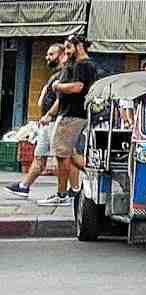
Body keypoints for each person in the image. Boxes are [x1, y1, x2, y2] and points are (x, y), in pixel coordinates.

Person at [5, 44, 66, 200]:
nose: (47, 57)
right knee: (40, 156)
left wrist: (50, 115)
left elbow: (62, 100)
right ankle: (24, 186)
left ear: (61, 55)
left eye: (51, 54)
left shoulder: (64, 74)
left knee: (64, 158)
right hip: (47, 123)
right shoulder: (56, 75)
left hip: (55, 122)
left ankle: (66, 192)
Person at [45, 35, 98, 208]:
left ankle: (62, 194)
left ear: (79, 46)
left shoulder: (84, 65)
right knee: (72, 155)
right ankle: (94, 178)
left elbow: (78, 87)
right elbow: (63, 98)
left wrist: (57, 86)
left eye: (69, 47)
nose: (66, 52)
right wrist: (51, 114)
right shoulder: (76, 65)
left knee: (62, 156)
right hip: (68, 114)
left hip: (73, 116)